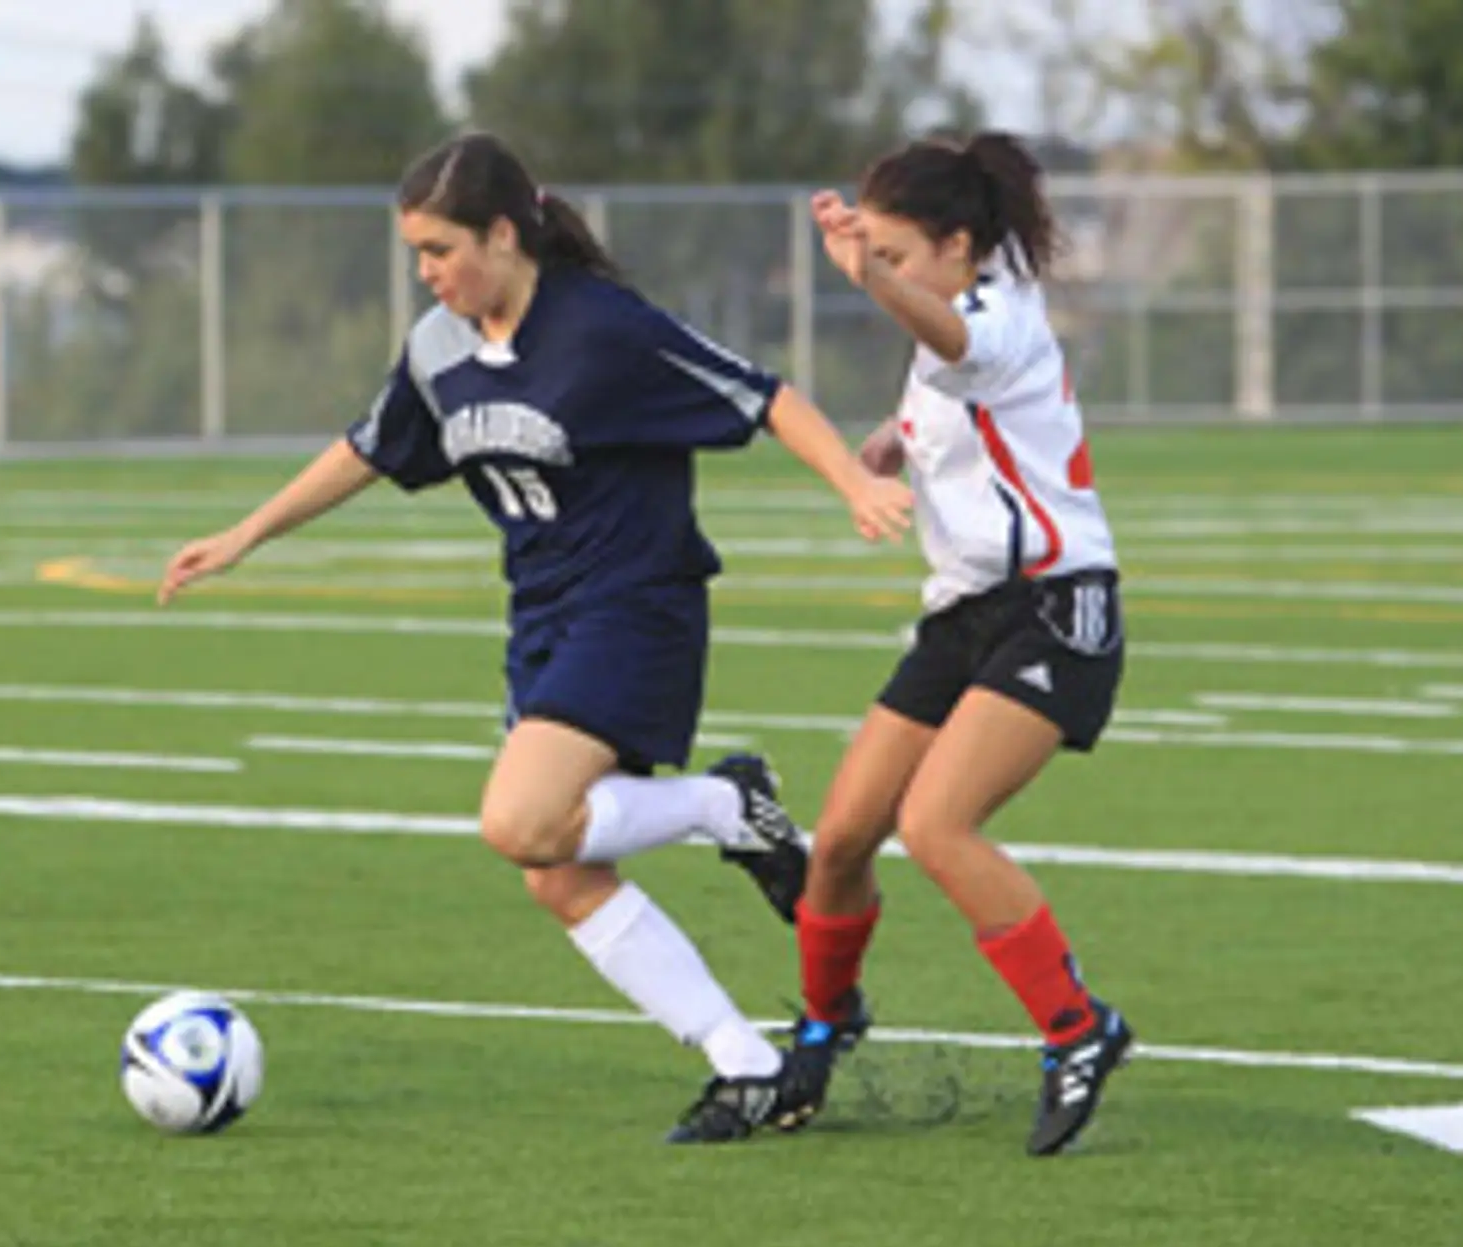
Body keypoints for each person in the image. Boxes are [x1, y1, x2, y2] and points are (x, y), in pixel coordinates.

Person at [159, 130, 913, 1143]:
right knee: (554, 870)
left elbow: (759, 394)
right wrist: (247, 532)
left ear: (502, 233)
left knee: (517, 819)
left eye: (439, 251)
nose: (426, 275)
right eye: (414, 256)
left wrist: (855, 482)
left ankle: (724, 805)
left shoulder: (601, 329)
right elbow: (370, 447)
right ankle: (745, 1062)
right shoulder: (438, 345)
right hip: (543, 615)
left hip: (637, 603)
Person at [775, 134, 1135, 1156]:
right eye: (876, 253)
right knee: (839, 839)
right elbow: (940, 388)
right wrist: (894, 442)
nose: (881, 268)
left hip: (1056, 606)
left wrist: (868, 278)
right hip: (965, 611)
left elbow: (954, 340)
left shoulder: (997, 315)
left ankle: (1079, 1027)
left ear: (957, 246)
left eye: (897, 253)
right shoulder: (943, 309)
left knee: (936, 825)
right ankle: (822, 1021)